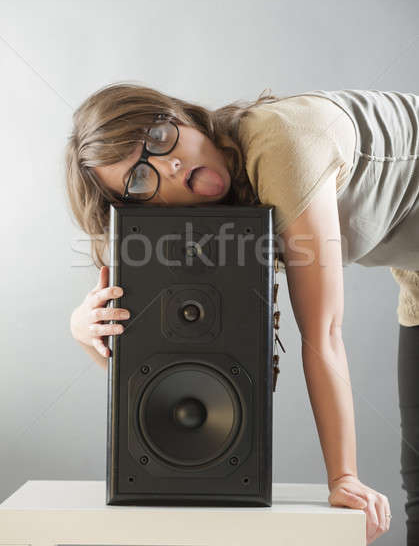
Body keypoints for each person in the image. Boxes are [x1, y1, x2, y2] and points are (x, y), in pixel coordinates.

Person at [65, 81, 419, 545]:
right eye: (138, 178)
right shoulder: (206, 219)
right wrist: (85, 330)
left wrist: (343, 478)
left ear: (182, 115)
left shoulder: (281, 146)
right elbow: (149, 362)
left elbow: (324, 330)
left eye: (157, 136)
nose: (168, 164)